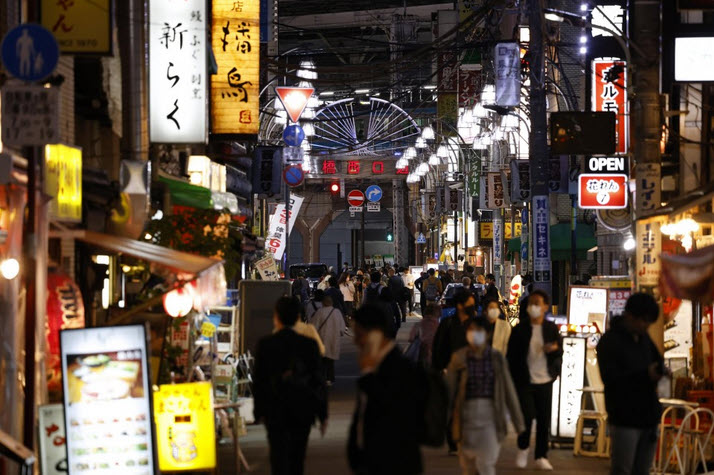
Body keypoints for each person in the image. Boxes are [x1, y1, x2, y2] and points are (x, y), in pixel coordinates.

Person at [253, 296, 327, 475]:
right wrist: (322, 414)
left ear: (276, 317)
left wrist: (259, 411)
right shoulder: (309, 345)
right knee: (297, 458)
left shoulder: (266, 344)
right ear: (297, 317)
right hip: (302, 408)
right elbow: (318, 379)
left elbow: (259, 380)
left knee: (278, 457)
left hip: (275, 409)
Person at [347, 304, 425, 475]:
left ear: (375, 334)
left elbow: (391, 410)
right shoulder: (375, 365)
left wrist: (368, 375)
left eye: (359, 334)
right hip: (372, 462)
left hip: (395, 463)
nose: (355, 341)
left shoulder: (400, 367)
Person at [447, 317, 525, 475]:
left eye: (478, 330)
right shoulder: (459, 358)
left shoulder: (496, 358)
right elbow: (448, 390)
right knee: (469, 467)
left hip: (491, 416)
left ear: (487, 334)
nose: (474, 334)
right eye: (471, 330)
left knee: (486, 464)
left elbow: (508, 391)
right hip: (465, 417)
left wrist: (519, 424)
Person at [597, 293, 664, 475]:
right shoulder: (610, 341)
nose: (646, 326)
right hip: (624, 417)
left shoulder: (644, 338)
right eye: (644, 321)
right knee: (622, 469)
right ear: (630, 315)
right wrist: (645, 375)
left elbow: (657, 359)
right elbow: (611, 379)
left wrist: (661, 370)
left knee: (642, 470)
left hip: (648, 416)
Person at [507, 290, 563, 471]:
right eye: (531, 303)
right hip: (524, 380)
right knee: (526, 416)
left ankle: (541, 456)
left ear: (545, 306)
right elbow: (511, 356)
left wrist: (553, 350)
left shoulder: (551, 328)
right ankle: (523, 448)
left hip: (545, 380)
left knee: (543, 420)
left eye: (537, 303)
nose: (534, 307)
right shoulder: (519, 330)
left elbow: (560, 350)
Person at [433, 290, 477, 455]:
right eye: (469, 304)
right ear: (460, 305)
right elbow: (438, 346)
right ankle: (453, 441)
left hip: (471, 372)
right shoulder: (448, 323)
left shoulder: (475, 324)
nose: (472, 308)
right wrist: (440, 368)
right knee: (452, 406)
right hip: (450, 371)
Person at [310, 295, 346, 386]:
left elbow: (314, 326)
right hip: (333, 339)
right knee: (330, 360)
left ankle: (322, 377)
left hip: (321, 339)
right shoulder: (337, 312)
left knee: (322, 360)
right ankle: (330, 378)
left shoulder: (320, 312)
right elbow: (342, 328)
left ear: (323, 303)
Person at [408, 302, 440, 367]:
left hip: (421, 356)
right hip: (435, 357)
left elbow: (411, 339)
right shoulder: (439, 326)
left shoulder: (418, 324)